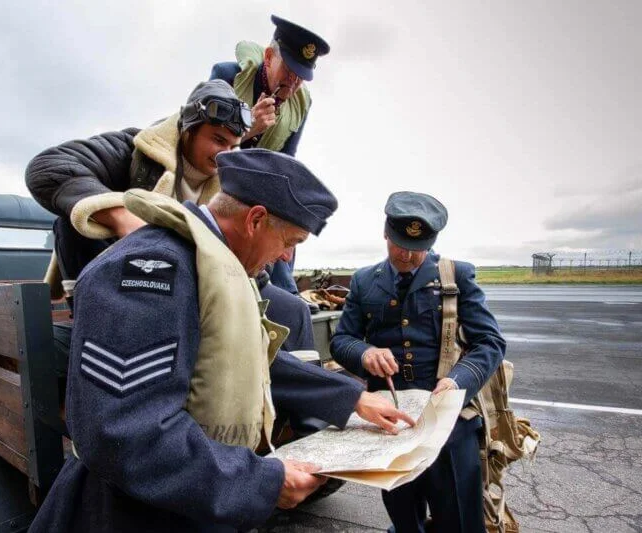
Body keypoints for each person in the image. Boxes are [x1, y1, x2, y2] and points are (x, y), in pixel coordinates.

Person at [28, 149, 415, 532]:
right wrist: (261, 482)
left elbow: (243, 359)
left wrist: (351, 397)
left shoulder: (217, 265)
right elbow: (125, 433)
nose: (285, 258)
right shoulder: (154, 271)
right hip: (132, 515)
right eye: (290, 240)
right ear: (256, 219)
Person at [25, 79, 313, 351]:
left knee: (294, 311)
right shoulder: (135, 150)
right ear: (188, 129)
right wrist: (125, 218)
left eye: (232, 146)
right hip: (128, 288)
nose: (224, 154)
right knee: (76, 217)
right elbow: (48, 167)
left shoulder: (231, 182)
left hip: (196, 287)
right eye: (217, 139)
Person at [330, 192, 506, 533]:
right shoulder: (365, 280)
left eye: (418, 246)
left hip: (448, 420)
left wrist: (457, 382)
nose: (407, 255)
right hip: (390, 421)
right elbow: (341, 340)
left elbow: (490, 342)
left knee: (460, 521)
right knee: (403, 516)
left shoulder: (457, 276)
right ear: (385, 233)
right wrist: (364, 353)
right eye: (399, 245)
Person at [210, 14, 330, 293]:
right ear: (267, 57)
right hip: (217, 179)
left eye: (302, 76)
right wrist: (246, 128)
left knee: (285, 216)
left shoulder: (300, 104)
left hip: (260, 186)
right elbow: (204, 141)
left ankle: (285, 293)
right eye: (288, 70)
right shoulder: (227, 75)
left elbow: (286, 162)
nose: (294, 82)